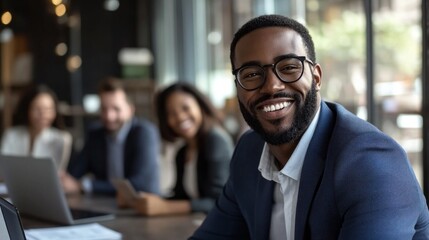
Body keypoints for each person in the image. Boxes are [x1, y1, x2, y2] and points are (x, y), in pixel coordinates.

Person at [190, 14, 429, 239]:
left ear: (316, 77)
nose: (272, 86)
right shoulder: (249, 152)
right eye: (251, 74)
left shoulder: (371, 163)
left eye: (289, 67)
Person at [117, 82, 234, 215]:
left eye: (185, 108)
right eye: (171, 113)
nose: (180, 117)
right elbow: (180, 197)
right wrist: (141, 201)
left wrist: (164, 207)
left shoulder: (216, 140)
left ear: (200, 106)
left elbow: (219, 201)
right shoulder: (182, 152)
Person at [62, 78, 160, 195]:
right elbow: (74, 174)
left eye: (116, 109)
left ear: (130, 110)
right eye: (104, 109)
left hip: (140, 207)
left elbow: (139, 184)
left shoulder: (144, 133)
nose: (109, 116)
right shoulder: (95, 135)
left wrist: (86, 185)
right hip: (104, 205)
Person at [0, 84, 72, 171]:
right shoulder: (11, 134)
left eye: (48, 109)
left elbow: (57, 174)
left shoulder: (61, 139)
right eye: (37, 109)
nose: (43, 115)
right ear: (27, 109)